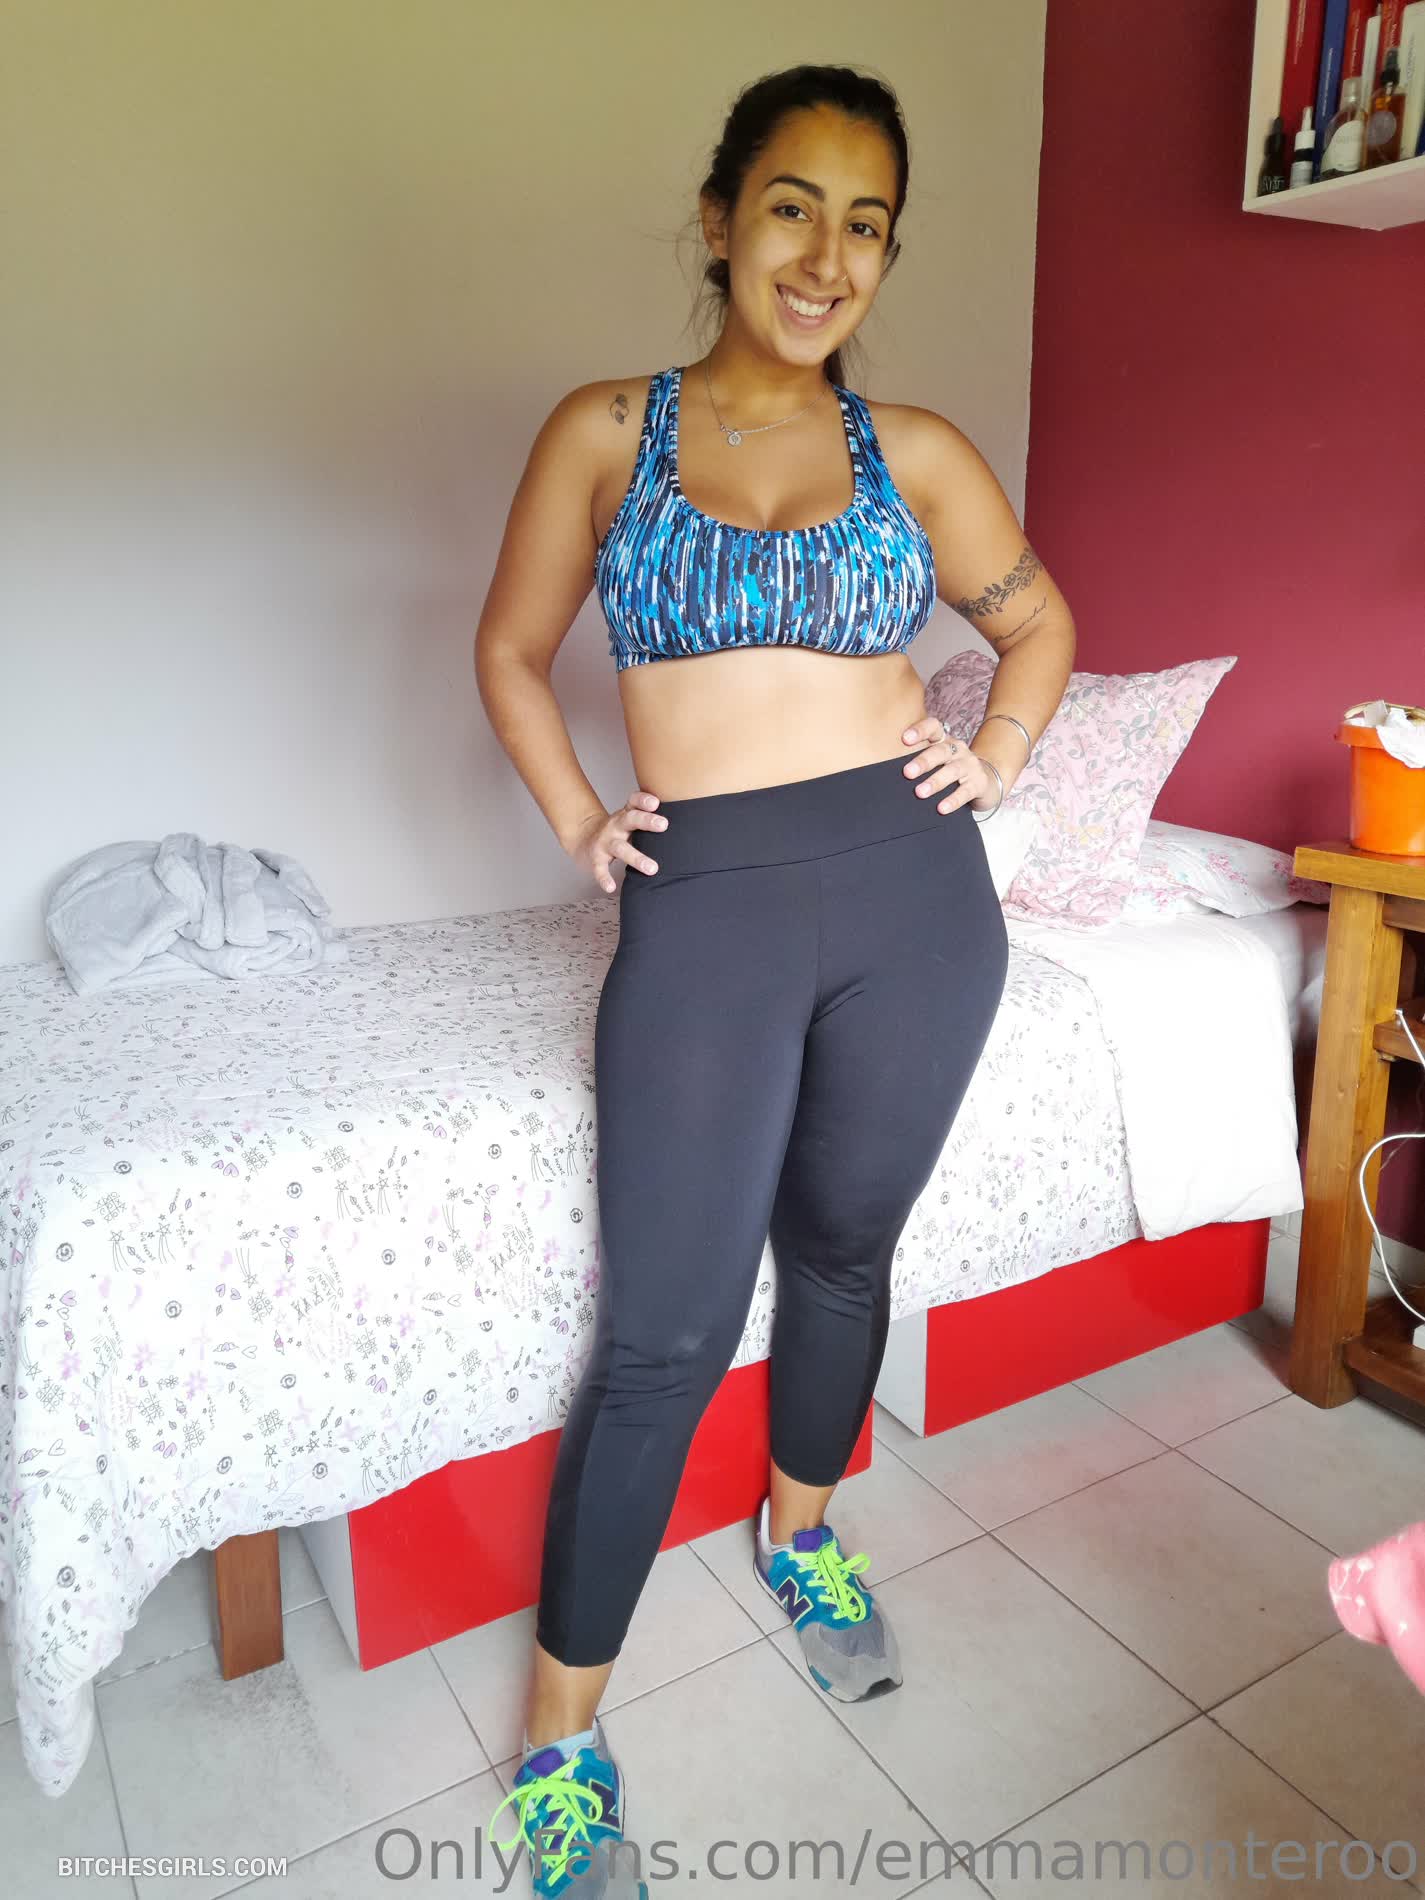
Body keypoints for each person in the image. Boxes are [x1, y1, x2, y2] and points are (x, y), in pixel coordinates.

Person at [475, 62, 1075, 1898]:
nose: (826, 257)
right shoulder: (608, 430)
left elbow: (1036, 622)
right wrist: (581, 821)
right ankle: (561, 1739)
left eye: (865, 225)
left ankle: (802, 1529)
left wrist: (1000, 757)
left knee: (840, 1252)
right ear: (723, 218)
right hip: (708, 910)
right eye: (794, 208)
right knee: (661, 1328)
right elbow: (509, 649)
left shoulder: (921, 452)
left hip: (916, 906)